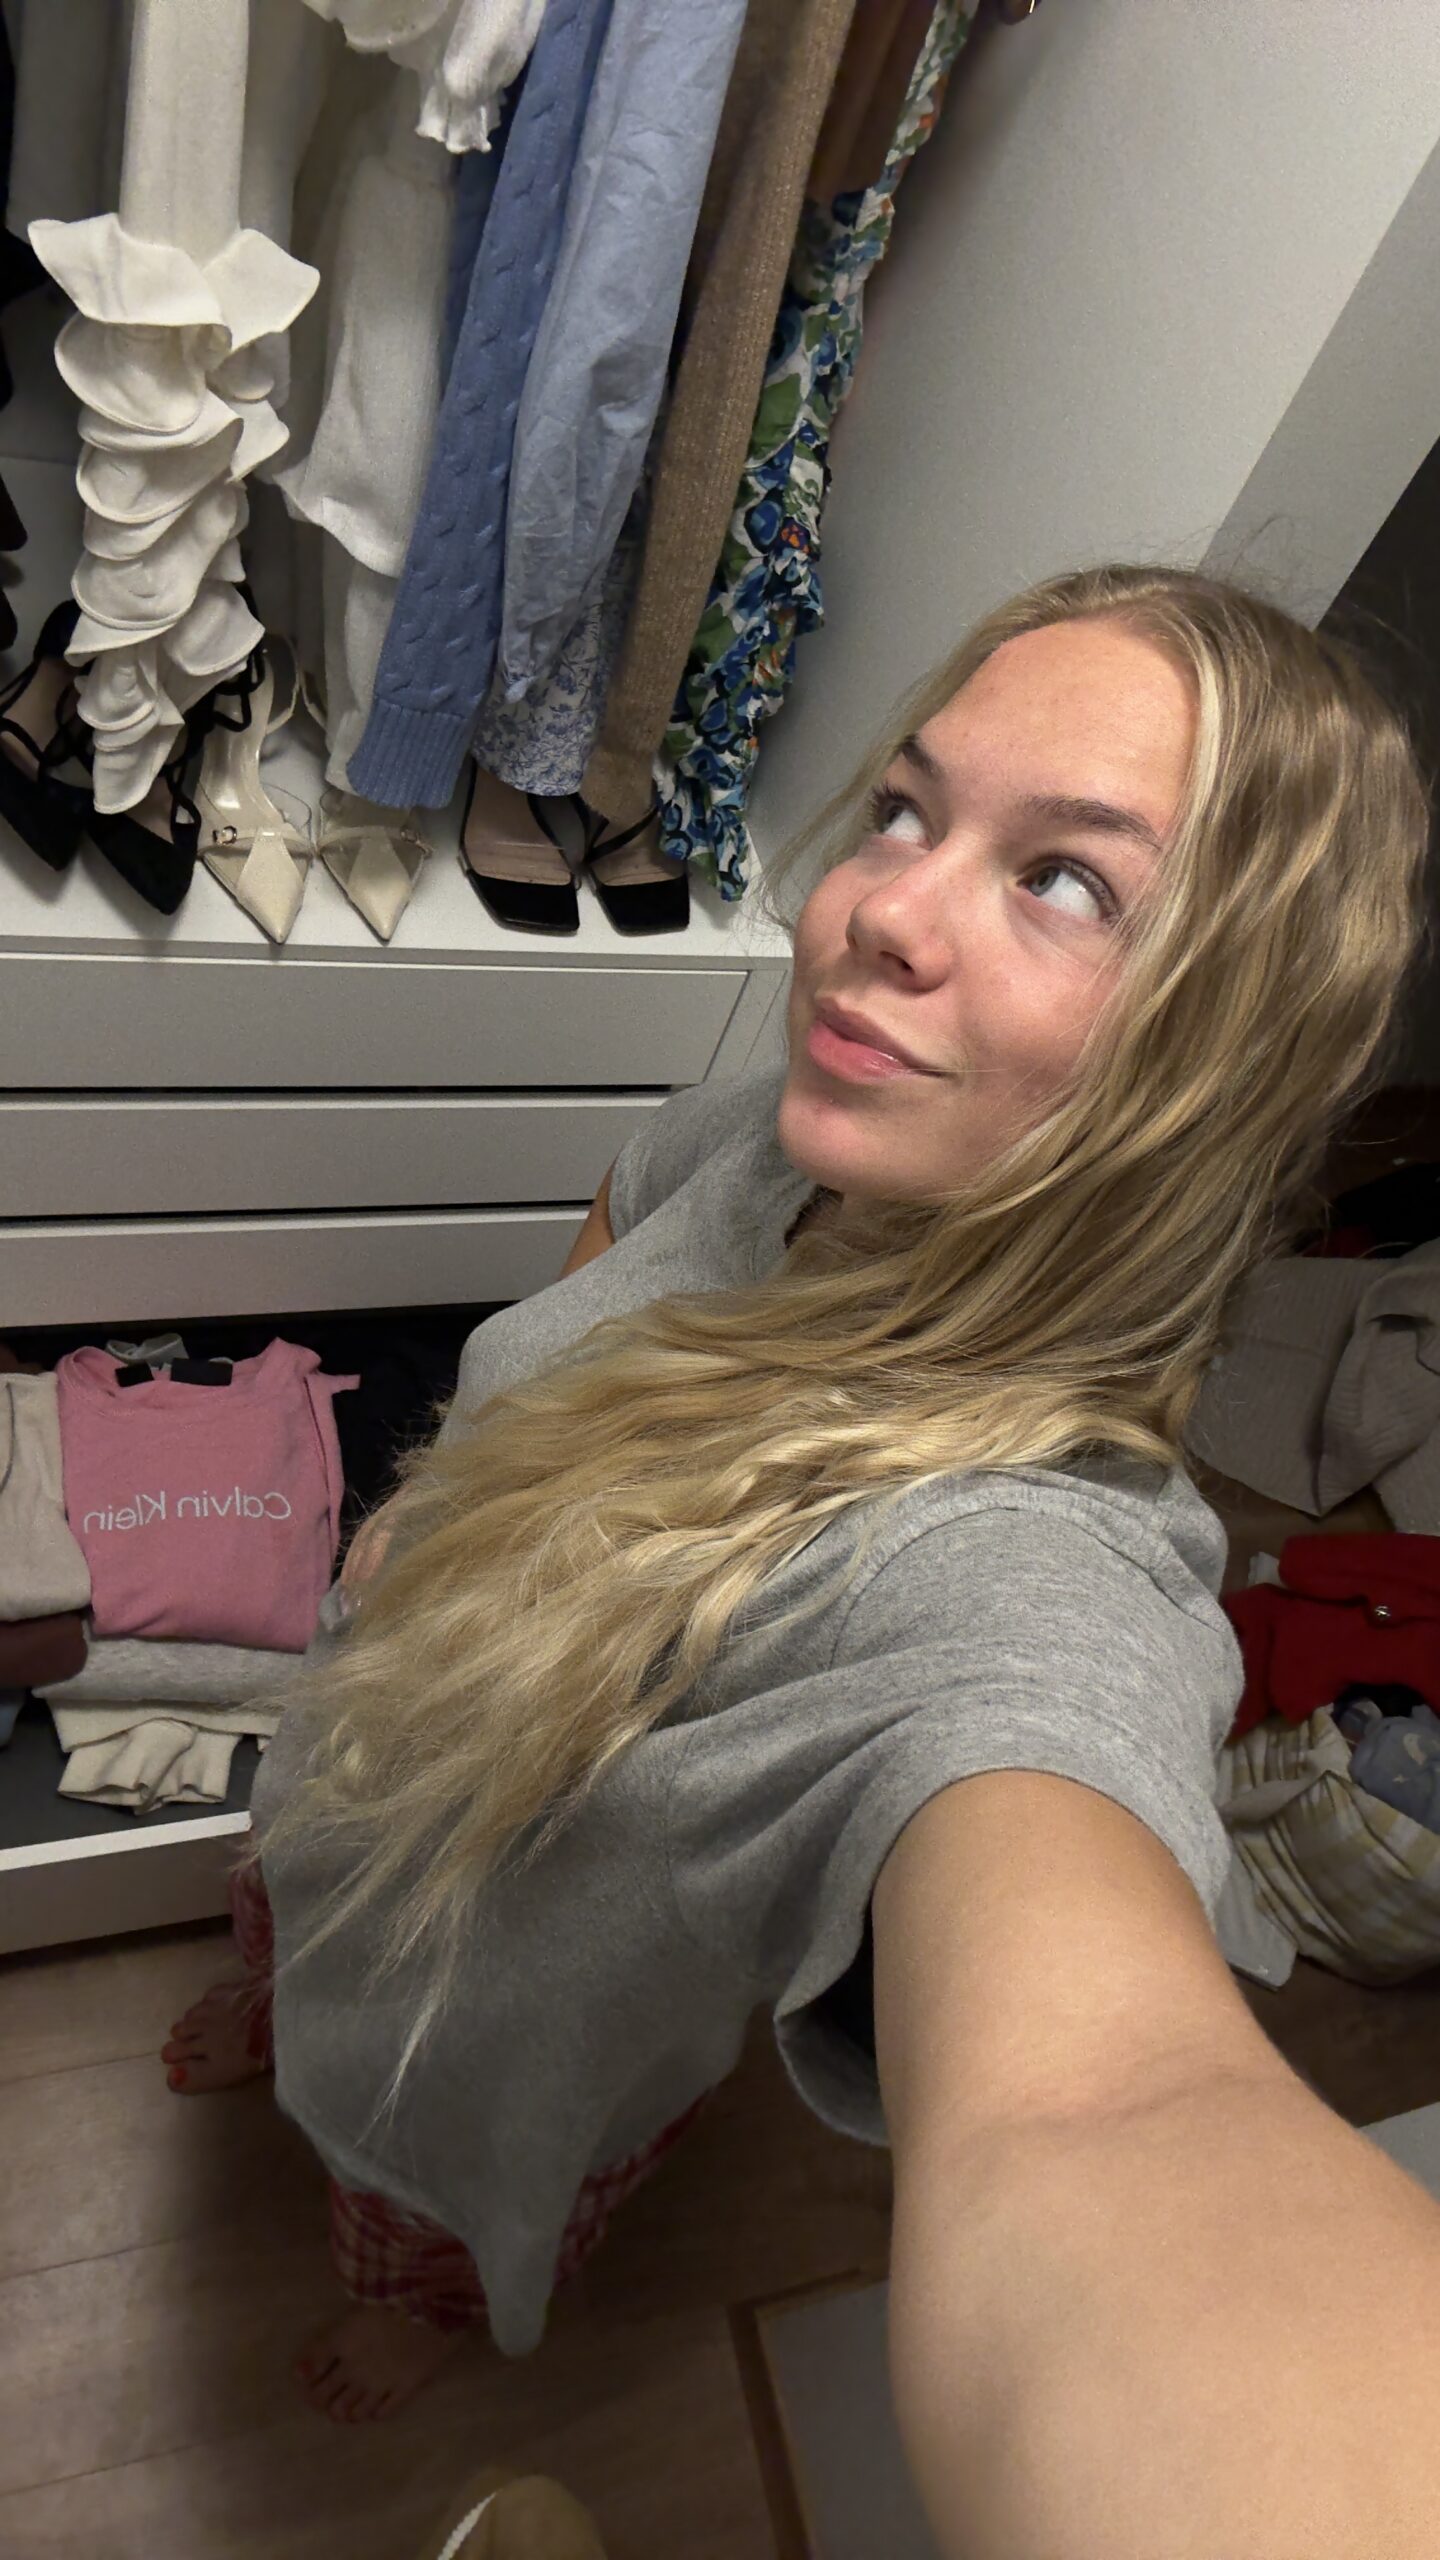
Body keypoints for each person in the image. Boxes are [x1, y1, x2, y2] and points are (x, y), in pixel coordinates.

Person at [162, 566, 1440, 2552]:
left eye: (1067, 881)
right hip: (355, 1778)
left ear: (1223, 1056)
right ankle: (270, 2004)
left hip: (476, 2029)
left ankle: (414, 2298)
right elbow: (608, 1251)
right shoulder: (795, 1131)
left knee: (406, 2197)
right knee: (282, 1922)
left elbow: (1104, 2101)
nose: (881, 912)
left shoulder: (1022, 1562)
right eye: (912, 810)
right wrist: (451, 1488)